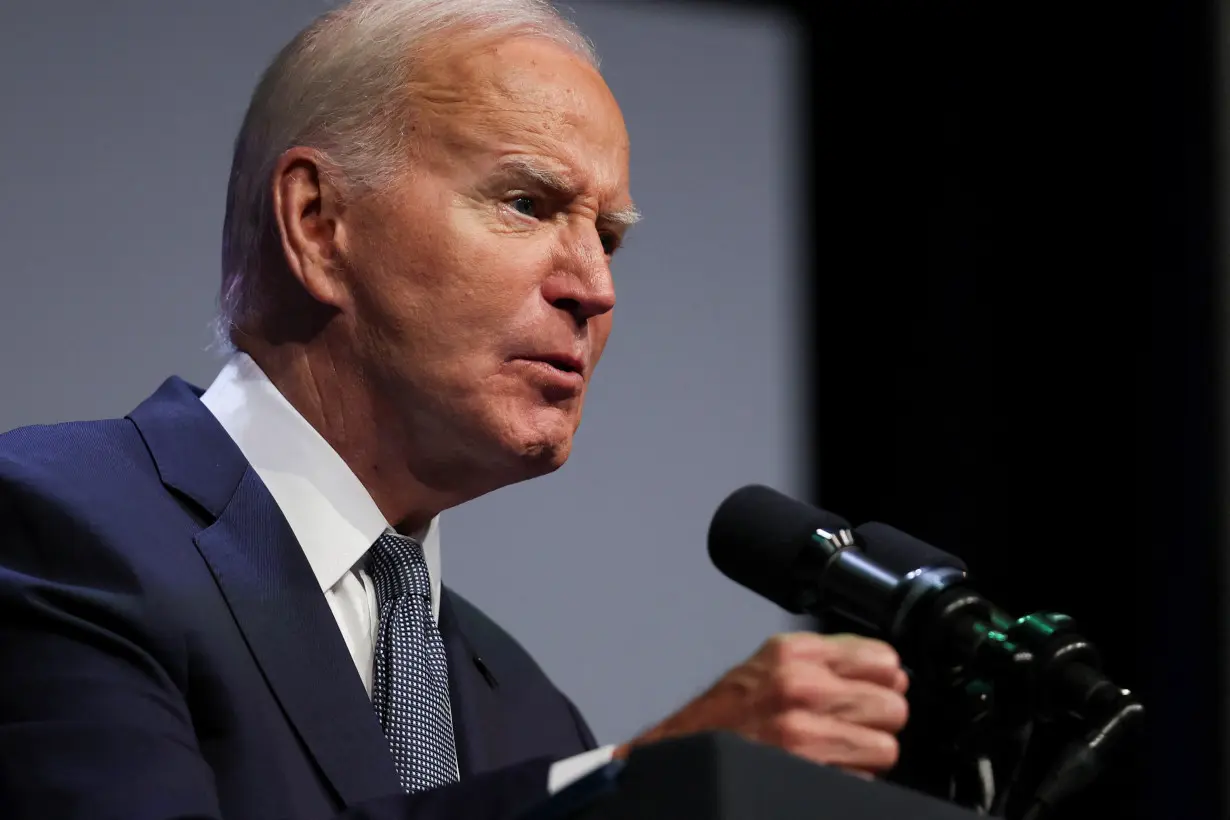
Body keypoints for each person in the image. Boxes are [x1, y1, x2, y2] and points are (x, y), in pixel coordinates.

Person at [0, 1, 910, 818]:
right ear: (318, 223)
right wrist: (632, 791)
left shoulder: (526, 706)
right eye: (527, 203)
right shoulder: (59, 527)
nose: (595, 289)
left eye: (609, 238)